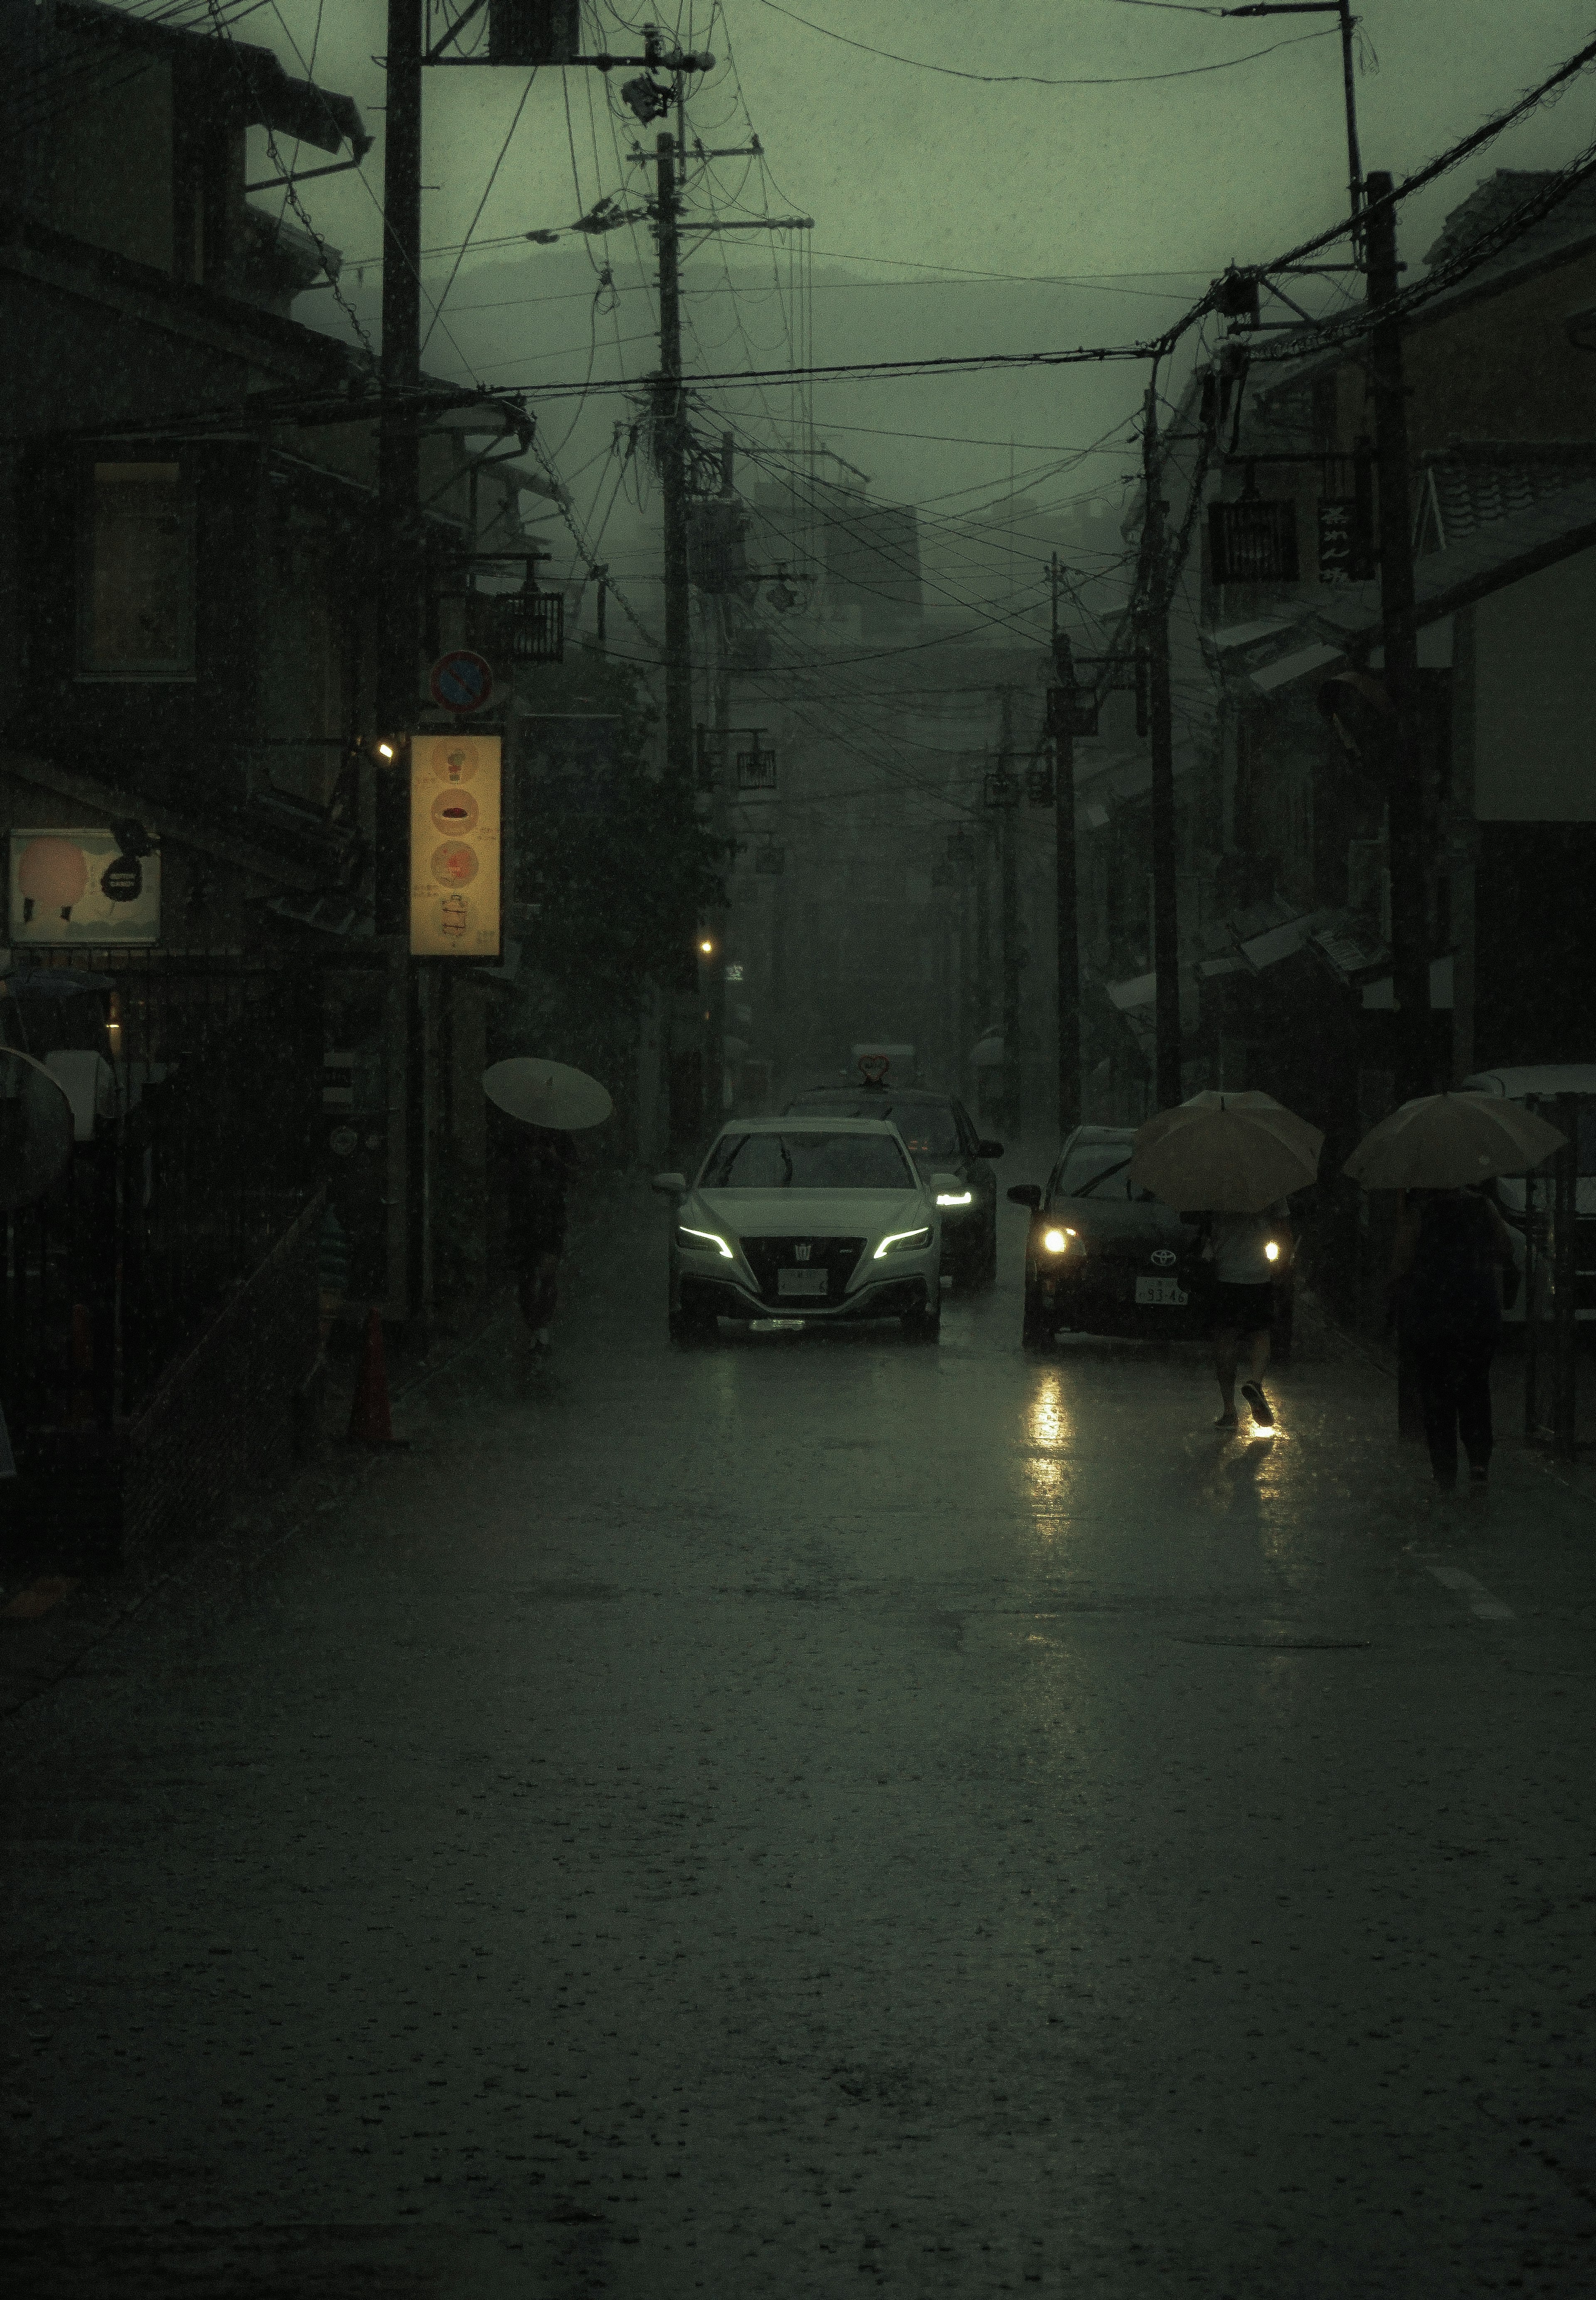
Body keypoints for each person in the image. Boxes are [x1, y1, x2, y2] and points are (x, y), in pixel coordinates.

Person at [1391, 1186, 1516, 1490]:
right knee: (1475, 1387)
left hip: (1434, 1315)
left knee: (1437, 1394)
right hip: (1477, 1311)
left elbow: (1401, 1263)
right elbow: (1505, 1249)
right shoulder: (1483, 1207)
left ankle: (1445, 1470)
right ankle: (1478, 1463)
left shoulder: (1421, 1213)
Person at [1203, 1206, 1288, 1430]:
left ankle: (1229, 1411)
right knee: (1260, 1334)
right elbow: (1282, 1227)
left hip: (1225, 1277)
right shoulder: (1266, 1183)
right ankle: (1255, 1382)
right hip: (1259, 1276)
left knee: (1225, 1341)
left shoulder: (1218, 1186)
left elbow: (1208, 1231)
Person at [507, 1125, 579, 1352]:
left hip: (551, 1219)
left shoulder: (559, 1138)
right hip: (525, 1220)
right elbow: (510, 1176)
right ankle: (534, 1325)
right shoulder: (520, 1139)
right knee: (526, 1276)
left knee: (548, 1274)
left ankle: (541, 1325)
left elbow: (571, 1175)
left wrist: (553, 1159)